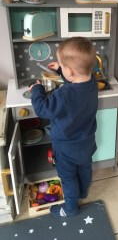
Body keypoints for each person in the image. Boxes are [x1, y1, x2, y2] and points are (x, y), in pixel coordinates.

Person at [29, 37, 98, 217]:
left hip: (65, 147)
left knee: (68, 179)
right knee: (84, 169)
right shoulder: (92, 84)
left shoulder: (63, 94)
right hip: (86, 143)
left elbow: (43, 109)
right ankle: (83, 192)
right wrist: (61, 70)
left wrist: (37, 90)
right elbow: (77, 82)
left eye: (61, 64)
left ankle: (70, 208)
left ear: (70, 71)